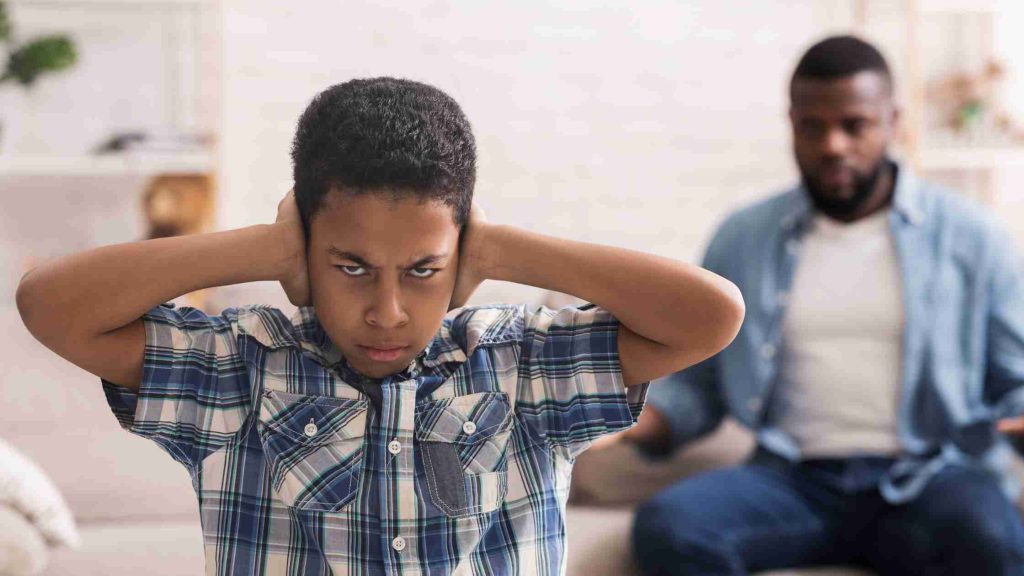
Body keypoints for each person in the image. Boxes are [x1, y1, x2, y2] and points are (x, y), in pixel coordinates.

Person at [16, 77, 744, 575]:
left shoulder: (521, 366)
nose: (388, 311)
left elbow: (713, 315)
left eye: (423, 270)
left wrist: (500, 248)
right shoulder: (240, 369)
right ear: (307, 248)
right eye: (352, 267)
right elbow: (49, 304)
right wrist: (268, 247)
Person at [628, 36, 1024, 575]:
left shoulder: (974, 239)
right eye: (812, 127)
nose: (832, 144)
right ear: (791, 124)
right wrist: (624, 419)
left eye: (854, 125)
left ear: (893, 121)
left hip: (929, 477)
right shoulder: (742, 238)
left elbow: (1013, 381)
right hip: (791, 479)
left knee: (992, 539)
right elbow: (701, 383)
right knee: (670, 529)